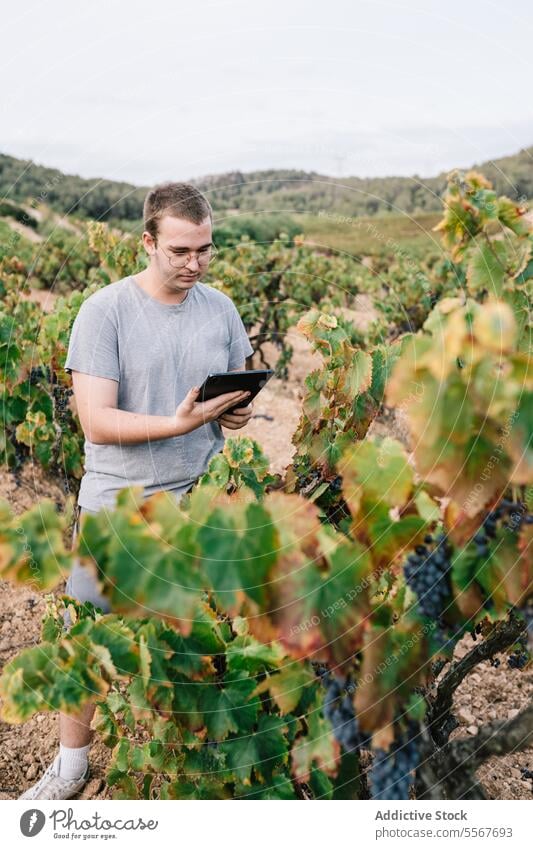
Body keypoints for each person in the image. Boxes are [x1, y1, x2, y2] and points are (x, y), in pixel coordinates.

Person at [19, 182, 254, 800]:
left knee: (194, 641)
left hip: (200, 500)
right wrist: (179, 423)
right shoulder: (105, 312)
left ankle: (178, 771)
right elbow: (96, 420)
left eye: (205, 249)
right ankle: (71, 768)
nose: (195, 263)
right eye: (180, 250)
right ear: (146, 242)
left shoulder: (221, 308)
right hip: (119, 505)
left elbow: (239, 396)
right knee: (89, 642)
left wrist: (234, 414)